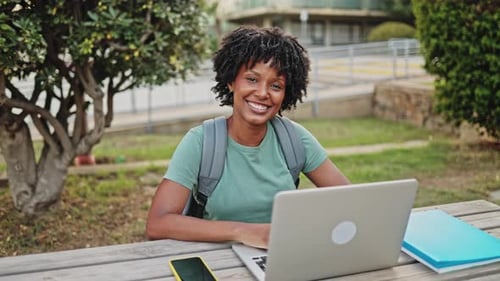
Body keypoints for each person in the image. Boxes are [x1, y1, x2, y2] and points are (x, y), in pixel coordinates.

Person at [146, 25, 350, 249]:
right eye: (252, 79)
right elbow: (158, 223)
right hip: (219, 260)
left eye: (276, 85)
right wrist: (243, 231)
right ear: (231, 81)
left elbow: (350, 200)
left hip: (281, 257)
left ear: (286, 94)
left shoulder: (295, 139)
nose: (263, 93)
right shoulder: (201, 141)